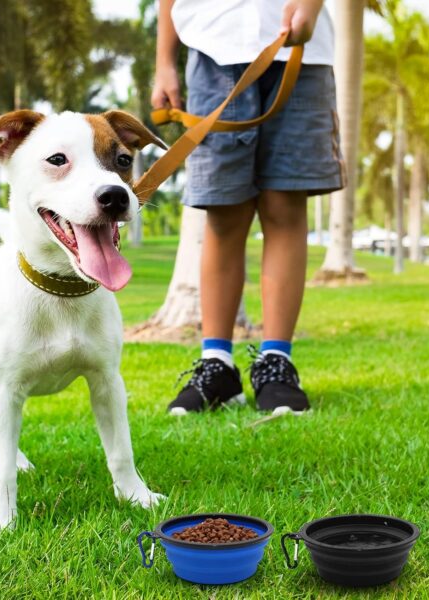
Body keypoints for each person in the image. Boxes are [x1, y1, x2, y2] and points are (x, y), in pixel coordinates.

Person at [151, 0, 345, 415]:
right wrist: (164, 61)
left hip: (299, 51)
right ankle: (216, 364)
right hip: (210, 45)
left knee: (284, 205)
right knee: (224, 212)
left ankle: (276, 362)